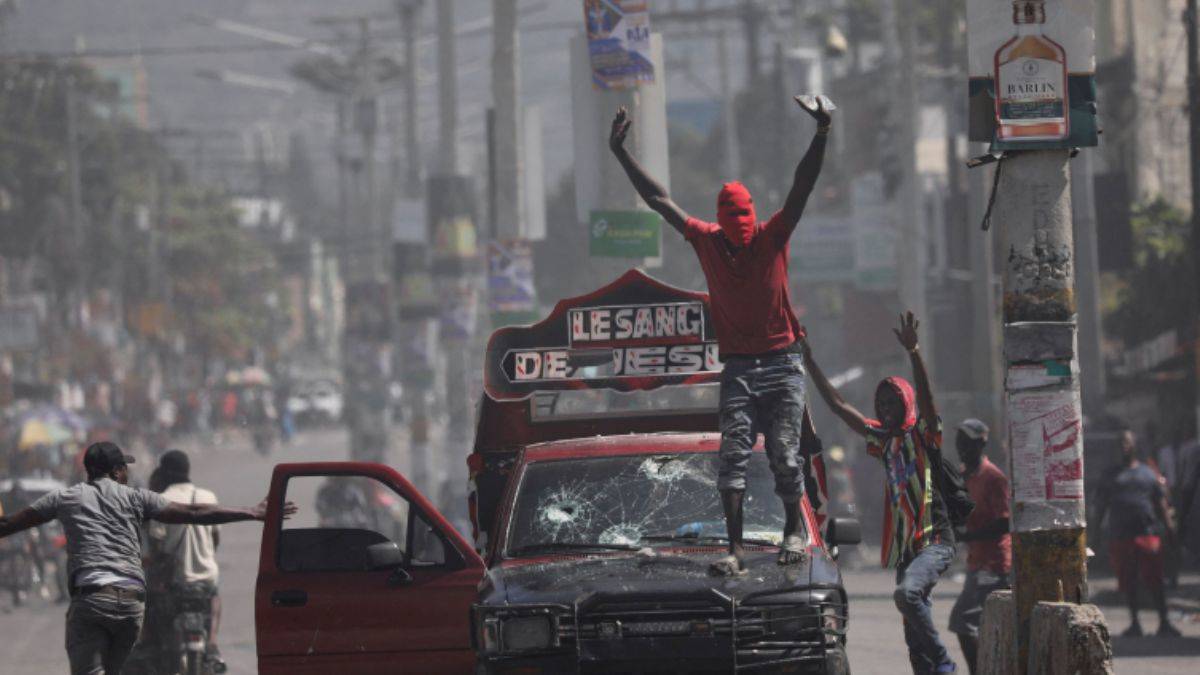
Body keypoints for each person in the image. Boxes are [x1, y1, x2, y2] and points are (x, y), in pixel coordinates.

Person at [608, 93, 832, 576]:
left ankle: (793, 528)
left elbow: (802, 185)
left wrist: (821, 133)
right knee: (731, 457)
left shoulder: (772, 236)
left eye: (744, 224)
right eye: (732, 226)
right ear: (721, 222)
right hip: (739, 367)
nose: (739, 234)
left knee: (784, 454)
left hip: (782, 362)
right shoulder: (707, 240)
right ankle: (734, 550)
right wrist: (621, 154)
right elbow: (658, 200)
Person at [0, 441, 291, 675]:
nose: (126, 473)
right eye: (124, 468)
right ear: (116, 472)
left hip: (91, 599)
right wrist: (252, 512)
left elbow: (10, 524)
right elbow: (195, 513)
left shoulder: (64, 498)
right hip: (131, 604)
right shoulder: (136, 497)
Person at [802, 312, 957, 674]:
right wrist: (809, 362)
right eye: (882, 404)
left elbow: (928, 401)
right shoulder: (883, 442)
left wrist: (914, 352)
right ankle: (931, 665)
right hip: (906, 550)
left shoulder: (924, 435)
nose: (886, 410)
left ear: (906, 403)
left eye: (893, 403)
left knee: (907, 595)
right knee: (913, 638)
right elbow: (840, 407)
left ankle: (945, 662)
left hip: (934, 542)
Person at [144, 450, 226, 671]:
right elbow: (215, 539)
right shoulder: (208, 497)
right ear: (188, 470)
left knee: (157, 614)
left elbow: (156, 545)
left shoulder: (161, 500)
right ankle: (212, 643)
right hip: (206, 577)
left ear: (164, 472)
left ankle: (163, 652)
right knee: (215, 596)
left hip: (176, 580)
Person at [1093, 429, 1181, 638]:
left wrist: (1170, 530)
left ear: (1134, 445)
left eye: (1127, 442)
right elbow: (1101, 507)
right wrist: (1095, 535)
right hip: (1121, 536)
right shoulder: (1110, 476)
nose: (1123, 446)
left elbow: (1160, 504)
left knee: (1155, 579)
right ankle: (1135, 623)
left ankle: (1164, 622)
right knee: (1128, 581)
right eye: (1120, 442)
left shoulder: (1147, 473)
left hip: (1147, 534)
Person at [947, 419, 1011, 675]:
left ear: (980, 444)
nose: (961, 447)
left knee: (963, 621)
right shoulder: (964, 475)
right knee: (983, 625)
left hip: (993, 564)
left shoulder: (993, 478)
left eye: (967, 442)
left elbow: (1005, 522)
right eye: (959, 441)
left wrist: (968, 535)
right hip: (977, 561)